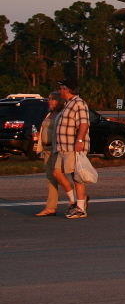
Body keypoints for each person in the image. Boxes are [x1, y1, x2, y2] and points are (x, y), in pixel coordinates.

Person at [33, 92, 77, 216]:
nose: (50, 102)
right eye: (49, 99)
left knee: (58, 174)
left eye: (53, 100)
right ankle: (51, 207)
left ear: (59, 101)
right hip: (46, 149)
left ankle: (76, 199)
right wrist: (38, 136)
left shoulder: (61, 114)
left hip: (56, 148)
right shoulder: (49, 114)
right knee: (50, 178)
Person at [55, 79, 91, 219]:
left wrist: (80, 140)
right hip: (63, 147)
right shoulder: (67, 104)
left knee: (77, 176)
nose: (59, 91)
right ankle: (74, 201)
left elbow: (83, 123)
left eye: (61, 88)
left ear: (68, 89)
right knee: (57, 172)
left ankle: (80, 208)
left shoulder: (79, 103)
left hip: (73, 146)